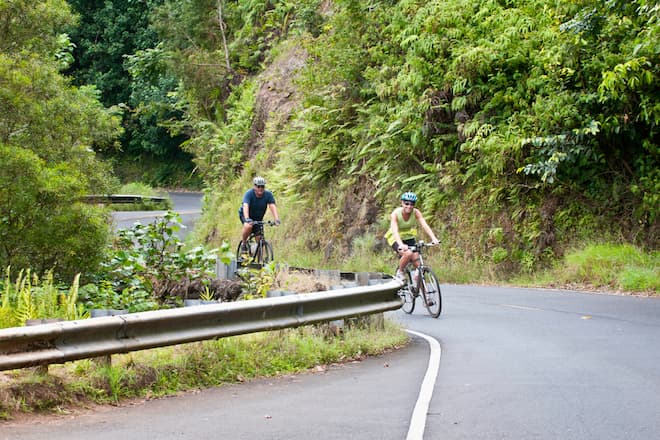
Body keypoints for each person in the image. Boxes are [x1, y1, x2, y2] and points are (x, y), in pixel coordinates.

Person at [385, 192, 439, 281]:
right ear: (402, 203)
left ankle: (424, 293)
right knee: (408, 253)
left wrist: (433, 238)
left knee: (419, 267)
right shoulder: (395, 214)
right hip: (395, 238)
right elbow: (395, 231)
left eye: (412, 204)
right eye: (406, 203)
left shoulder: (416, 212)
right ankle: (400, 271)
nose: (409, 206)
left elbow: (425, 225)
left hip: (408, 236)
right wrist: (401, 244)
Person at [238, 176, 280, 253]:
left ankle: (260, 261)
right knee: (248, 226)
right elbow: (245, 205)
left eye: (262, 186)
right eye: (258, 186)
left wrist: (276, 219)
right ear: (254, 187)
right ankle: (243, 244)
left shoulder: (268, 194)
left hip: (258, 218)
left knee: (260, 241)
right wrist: (247, 218)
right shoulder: (249, 194)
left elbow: (272, 205)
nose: (260, 188)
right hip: (246, 215)